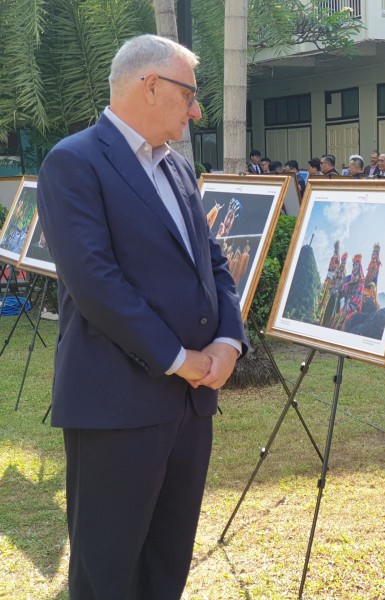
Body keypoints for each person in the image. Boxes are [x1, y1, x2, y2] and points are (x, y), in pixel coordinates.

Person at [36, 34, 247, 599]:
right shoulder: (73, 162)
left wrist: (228, 340)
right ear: (149, 85)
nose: (197, 110)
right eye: (189, 94)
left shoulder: (176, 168)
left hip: (189, 407)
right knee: (107, 570)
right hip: (116, 406)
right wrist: (180, 359)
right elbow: (96, 284)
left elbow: (213, 263)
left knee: (167, 561)